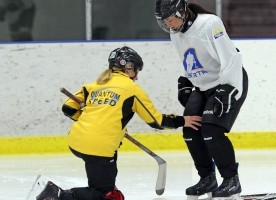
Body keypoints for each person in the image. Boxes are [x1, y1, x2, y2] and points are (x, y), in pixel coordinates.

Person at [35, 46, 202, 200]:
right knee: (105, 195)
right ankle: (57, 196)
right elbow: (156, 121)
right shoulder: (132, 89)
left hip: (77, 141)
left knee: (110, 185)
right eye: (136, 69)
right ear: (129, 67)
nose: (137, 75)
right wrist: (183, 120)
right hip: (98, 147)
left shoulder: (94, 85)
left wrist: (93, 119)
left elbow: (68, 108)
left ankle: (105, 186)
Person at [155, 1, 248, 200]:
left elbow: (232, 58)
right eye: (165, 22)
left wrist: (228, 90)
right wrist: (186, 80)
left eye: (171, 19)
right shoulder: (176, 33)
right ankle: (207, 178)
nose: (169, 25)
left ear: (182, 12)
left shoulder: (210, 24)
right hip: (202, 86)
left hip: (228, 81)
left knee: (211, 130)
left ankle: (232, 180)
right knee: (190, 130)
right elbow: (191, 59)